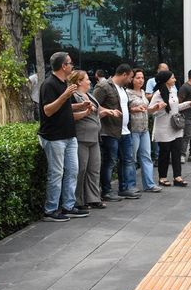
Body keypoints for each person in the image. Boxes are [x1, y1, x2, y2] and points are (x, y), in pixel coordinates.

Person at [38, 52, 89, 221]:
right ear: (63, 66)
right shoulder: (49, 84)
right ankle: (50, 210)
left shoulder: (64, 83)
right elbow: (48, 110)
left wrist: (79, 105)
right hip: (54, 137)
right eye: (70, 63)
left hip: (69, 136)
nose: (72, 65)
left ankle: (68, 206)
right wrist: (65, 95)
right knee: (56, 173)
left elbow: (63, 108)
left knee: (72, 171)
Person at [94, 64, 138, 201]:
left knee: (127, 160)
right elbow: (94, 105)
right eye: (130, 77)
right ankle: (106, 191)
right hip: (110, 131)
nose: (131, 80)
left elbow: (123, 107)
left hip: (124, 131)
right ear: (124, 74)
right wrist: (108, 112)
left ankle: (124, 188)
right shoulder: (103, 86)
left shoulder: (122, 89)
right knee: (110, 161)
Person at [149, 71, 191, 187]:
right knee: (164, 154)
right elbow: (150, 110)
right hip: (163, 128)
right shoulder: (158, 93)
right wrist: (157, 108)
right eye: (172, 78)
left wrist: (189, 104)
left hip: (175, 126)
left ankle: (178, 177)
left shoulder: (173, 90)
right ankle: (162, 177)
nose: (175, 80)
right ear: (166, 79)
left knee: (176, 152)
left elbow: (176, 107)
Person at [68, 70, 109, 210]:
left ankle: (93, 198)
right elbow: (70, 115)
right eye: (86, 79)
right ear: (79, 81)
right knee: (81, 169)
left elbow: (96, 113)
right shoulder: (73, 96)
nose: (90, 81)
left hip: (94, 138)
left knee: (94, 169)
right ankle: (77, 201)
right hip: (82, 137)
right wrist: (85, 112)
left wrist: (107, 112)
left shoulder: (90, 95)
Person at [127, 68, 163, 193]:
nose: (141, 80)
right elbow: (126, 110)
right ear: (131, 79)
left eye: (142, 78)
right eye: (138, 77)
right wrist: (135, 109)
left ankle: (149, 184)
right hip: (133, 129)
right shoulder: (127, 92)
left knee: (146, 156)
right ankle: (131, 185)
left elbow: (147, 110)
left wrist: (155, 108)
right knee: (132, 158)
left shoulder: (143, 92)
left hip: (144, 128)